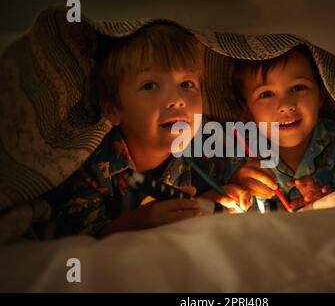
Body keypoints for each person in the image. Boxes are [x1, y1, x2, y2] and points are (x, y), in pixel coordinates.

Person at [43, 23, 249, 238]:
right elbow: (75, 240)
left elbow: (236, 174)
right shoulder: (90, 168)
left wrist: (230, 186)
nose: (177, 100)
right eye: (150, 85)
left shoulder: (207, 145)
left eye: (187, 84)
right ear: (113, 109)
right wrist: (138, 223)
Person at [229, 45, 335, 210]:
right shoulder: (240, 152)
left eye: (298, 88)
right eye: (266, 94)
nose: (286, 105)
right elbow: (217, 202)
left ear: (321, 95)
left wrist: (330, 199)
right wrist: (236, 186)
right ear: (246, 109)